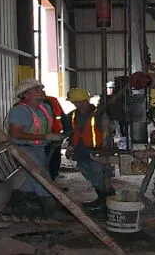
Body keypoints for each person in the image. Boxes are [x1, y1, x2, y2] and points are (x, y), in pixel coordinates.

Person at [7, 78, 72, 220]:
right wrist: (47, 137)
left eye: (41, 88)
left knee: (31, 179)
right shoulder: (20, 111)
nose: (41, 91)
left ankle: (20, 204)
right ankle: (51, 212)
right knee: (42, 178)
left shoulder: (45, 108)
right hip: (24, 148)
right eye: (36, 89)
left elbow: (48, 126)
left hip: (39, 148)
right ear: (25, 95)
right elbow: (15, 134)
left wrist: (54, 138)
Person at [65, 87, 114, 211]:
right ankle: (102, 198)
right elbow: (72, 133)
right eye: (75, 102)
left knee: (100, 177)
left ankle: (108, 201)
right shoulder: (72, 116)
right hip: (80, 151)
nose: (79, 105)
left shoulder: (100, 114)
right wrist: (70, 147)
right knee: (90, 176)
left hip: (97, 151)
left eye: (81, 102)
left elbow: (108, 133)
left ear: (87, 100)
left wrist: (107, 150)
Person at [42, 93, 69, 181]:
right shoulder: (25, 106)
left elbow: (62, 117)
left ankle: (52, 178)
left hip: (55, 135)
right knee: (44, 159)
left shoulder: (53, 100)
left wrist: (65, 132)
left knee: (55, 157)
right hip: (40, 138)